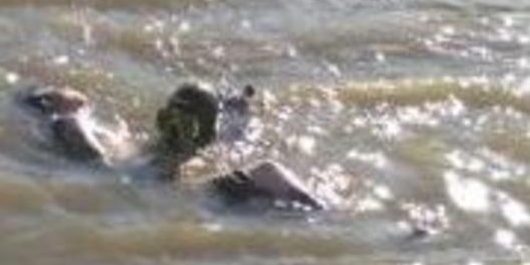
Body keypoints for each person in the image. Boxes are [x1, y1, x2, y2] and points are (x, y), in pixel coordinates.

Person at [18, 79, 325, 209]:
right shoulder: (208, 174)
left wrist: (66, 110)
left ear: (163, 118)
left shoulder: (115, 148)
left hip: (129, 177)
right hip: (200, 193)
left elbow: (60, 109)